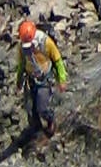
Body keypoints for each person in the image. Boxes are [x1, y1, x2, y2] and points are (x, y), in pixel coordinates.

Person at [16, 14, 67, 142]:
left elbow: (58, 60)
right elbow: (21, 64)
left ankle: (50, 120)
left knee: (42, 107)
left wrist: (62, 79)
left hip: (44, 78)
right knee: (30, 107)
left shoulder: (45, 42)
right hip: (31, 78)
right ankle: (36, 128)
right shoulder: (22, 47)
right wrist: (19, 81)